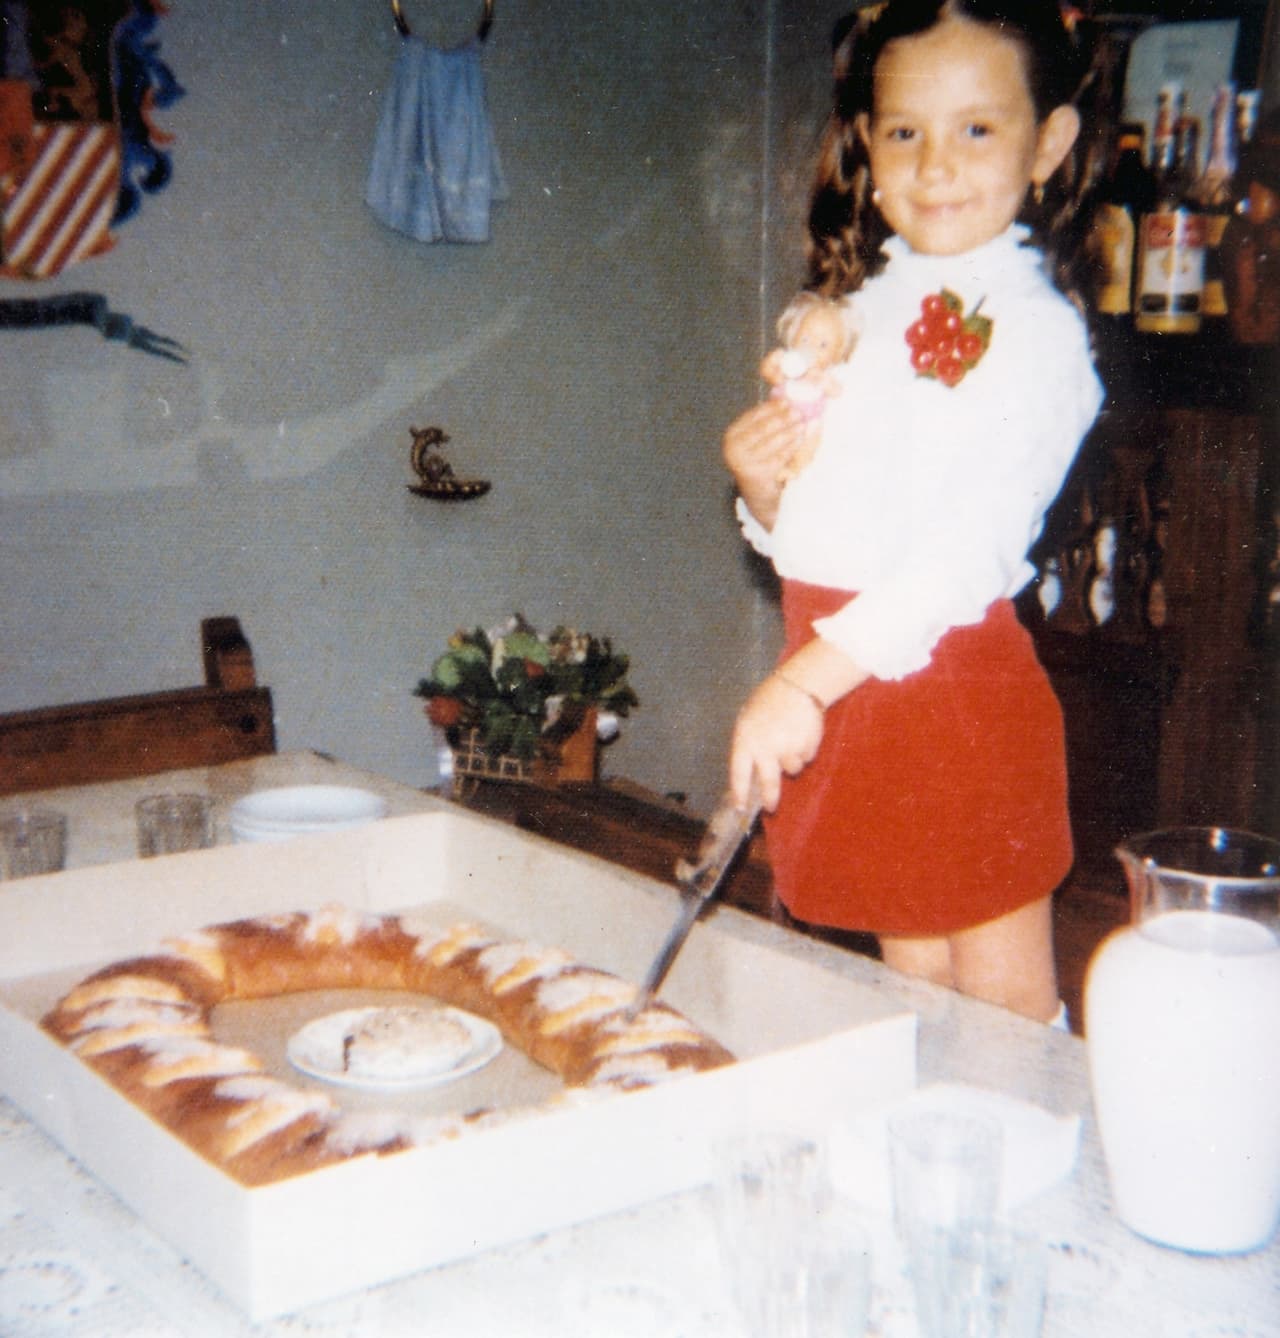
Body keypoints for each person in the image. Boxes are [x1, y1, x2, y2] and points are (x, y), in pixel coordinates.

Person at [722, 0, 1105, 1024]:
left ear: (1048, 144)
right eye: (904, 131)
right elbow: (838, 522)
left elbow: (957, 557)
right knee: (912, 988)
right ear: (867, 145)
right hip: (855, 688)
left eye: (975, 128)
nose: (935, 164)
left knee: (998, 1005)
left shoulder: (1036, 337)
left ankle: (1026, 1165)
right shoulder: (860, 311)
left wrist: (799, 686)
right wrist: (766, 490)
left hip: (950, 697)